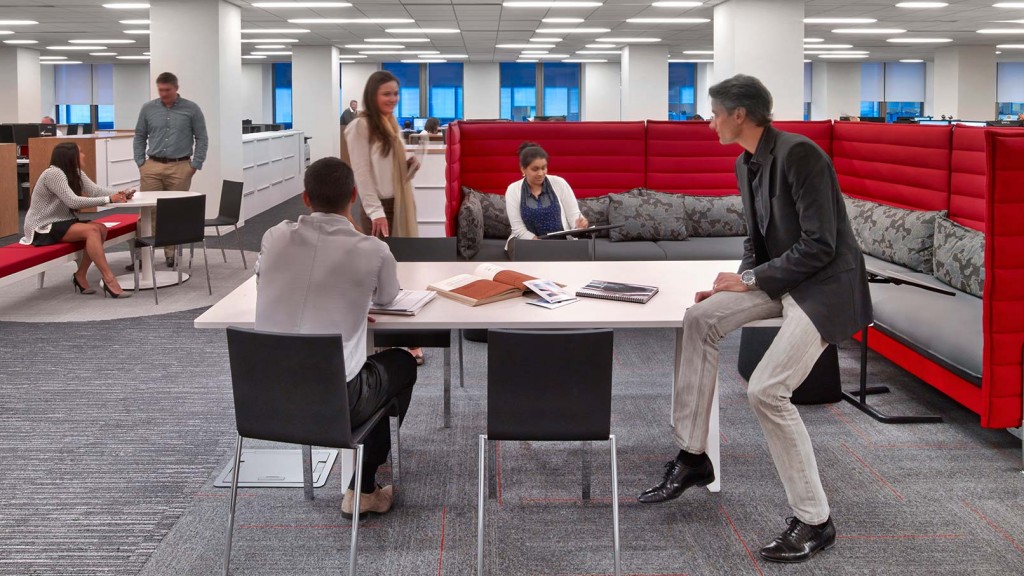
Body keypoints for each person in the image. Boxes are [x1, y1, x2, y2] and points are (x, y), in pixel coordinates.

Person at [637, 74, 872, 564]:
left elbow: (821, 245)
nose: (710, 122)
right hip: (781, 279)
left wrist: (747, 282)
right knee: (699, 317)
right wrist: (737, 282)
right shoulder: (747, 163)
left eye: (714, 113)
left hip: (825, 286)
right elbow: (757, 241)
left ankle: (814, 519)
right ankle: (692, 456)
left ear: (739, 114)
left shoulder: (800, 154)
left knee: (766, 389)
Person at [254, 157, 417, 519]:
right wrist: (354, 299)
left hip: (261, 397)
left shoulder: (273, 236)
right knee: (402, 362)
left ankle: (363, 477)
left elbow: (265, 277)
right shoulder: (372, 250)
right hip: (336, 400)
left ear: (305, 199)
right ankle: (363, 488)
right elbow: (389, 298)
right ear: (354, 196)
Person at [344, 70, 423, 363]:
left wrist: (409, 164)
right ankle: (385, 341)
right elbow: (362, 174)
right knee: (379, 274)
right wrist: (375, 212)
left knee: (403, 271)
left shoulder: (389, 124)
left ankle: (406, 336)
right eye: (386, 93)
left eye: (396, 94)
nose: (393, 99)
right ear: (372, 95)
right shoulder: (360, 127)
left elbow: (393, 168)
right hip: (379, 209)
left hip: (399, 204)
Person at [20, 142, 135, 298]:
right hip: (42, 226)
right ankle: (109, 279)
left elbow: (95, 191)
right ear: (70, 157)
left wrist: (121, 193)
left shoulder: (75, 172)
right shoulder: (53, 174)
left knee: (101, 228)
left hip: (61, 221)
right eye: (80, 152)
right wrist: (109, 199)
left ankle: (80, 275)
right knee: (93, 230)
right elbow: (73, 201)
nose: (83, 155)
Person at [132, 71, 208, 269]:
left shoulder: (191, 109)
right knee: (148, 212)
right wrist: (141, 162)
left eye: (167, 90)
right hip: (152, 166)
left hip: (180, 166)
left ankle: (171, 254)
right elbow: (139, 136)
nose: (164, 93)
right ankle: (143, 257)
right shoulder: (148, 109)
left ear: (176, 88)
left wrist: (194, 165)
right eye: (160, 90)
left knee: (173, 212)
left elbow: (202, 138)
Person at [503, 142, 588, 251]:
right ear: (523, 169)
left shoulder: (559, 183)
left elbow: (574, 217)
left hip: (560, 243)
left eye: (544, 168)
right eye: (535, 169)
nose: (541, 173)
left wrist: (580, 226)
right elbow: (518, 229)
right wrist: (539, 245)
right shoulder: (513, 190)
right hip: (528, 243)